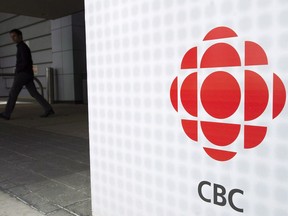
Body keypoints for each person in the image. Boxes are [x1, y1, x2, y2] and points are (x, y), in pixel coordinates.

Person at [0, 29, 54, 120]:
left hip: (23, 74)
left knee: (13, 93)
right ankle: (48, 108)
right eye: (11, 37)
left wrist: (17, 71)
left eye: (14, 36)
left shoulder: (22, 47)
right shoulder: (22, 46)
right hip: (28, 74)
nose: (12, 38)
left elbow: (25, 62)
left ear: (20, 36)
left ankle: (7, 114)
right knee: (34, 93)